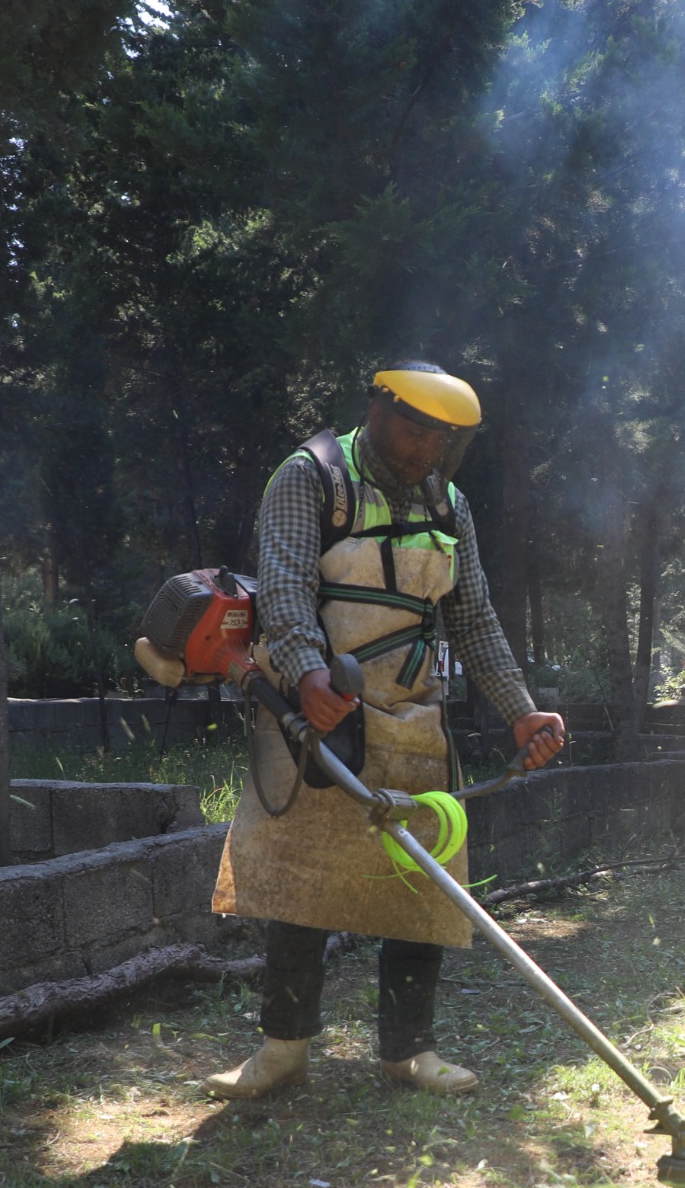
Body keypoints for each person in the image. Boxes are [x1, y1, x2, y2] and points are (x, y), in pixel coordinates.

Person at [207, 362, 566, 1101]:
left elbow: (472, 618)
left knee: (421, 882)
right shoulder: (311, 477)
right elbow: (282, 584)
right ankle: (282, 1050)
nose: (424, 448)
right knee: (301, 883)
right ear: (376, 408)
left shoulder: (450, 504)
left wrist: (519, 708)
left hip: (412, 716)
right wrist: (307, 675)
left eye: (442, 437)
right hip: (314, 717)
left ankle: (409, 1052)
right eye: (413, 429)